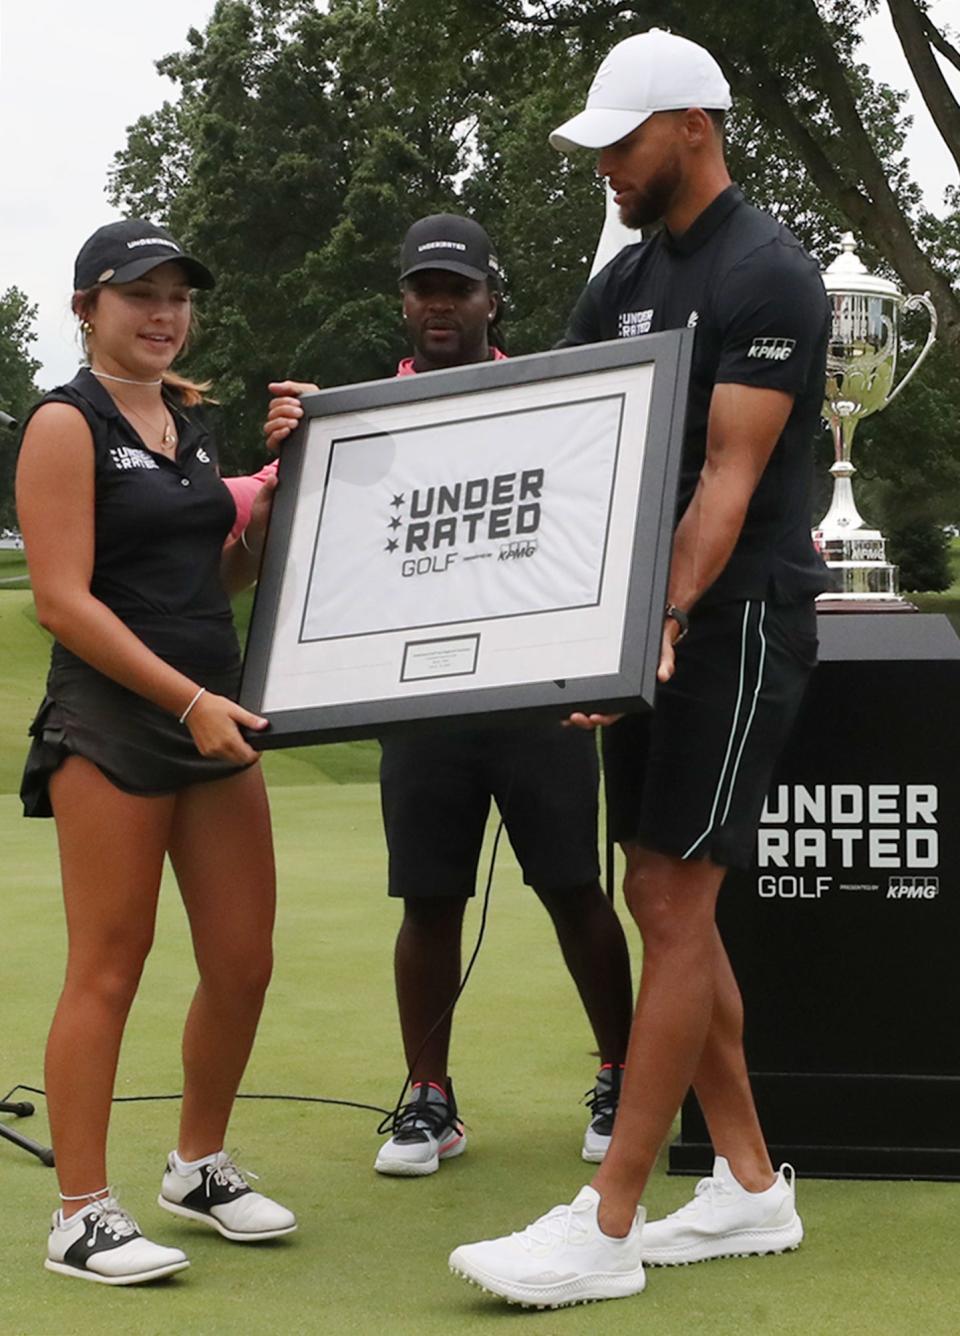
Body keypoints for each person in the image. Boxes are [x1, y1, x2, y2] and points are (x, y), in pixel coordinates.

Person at [448, 29, 831, 1307]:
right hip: (646, 616)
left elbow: (725, 484)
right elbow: (564, 435)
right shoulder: (623, 276)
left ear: (693, 128)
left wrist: (656, 622)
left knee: (673, 897)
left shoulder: (768, 272)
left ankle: (609, 1222)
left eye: (622, 140)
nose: (605, 164)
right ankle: (751, 1185)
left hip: (738, 614)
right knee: (656, 893)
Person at [255, 214, 634, 1178]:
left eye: (457, 289)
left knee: (573, 888)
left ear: (489, 300)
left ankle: (623, 1072)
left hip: (537, 685)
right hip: (418, 700)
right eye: (423, 287)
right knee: (427, 900)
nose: (439, 303)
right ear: (403, 300)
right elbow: (287, 531)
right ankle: (430, 1098)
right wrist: (288, 457)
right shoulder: (357, 422)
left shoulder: (551, 400)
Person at [16, 220, 296, 1286]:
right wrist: (189, 702)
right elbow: (61, 599)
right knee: (110, 964)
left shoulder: (193, 423)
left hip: (207, 713)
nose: (164, 316)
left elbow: (212, 578)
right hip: (117, 724)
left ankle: (198, 1164)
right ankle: (80, 1213)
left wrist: (268, 512)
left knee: (241, 959)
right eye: (141, 296)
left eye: (178, 297)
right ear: (90, 306)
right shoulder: (63, 422)